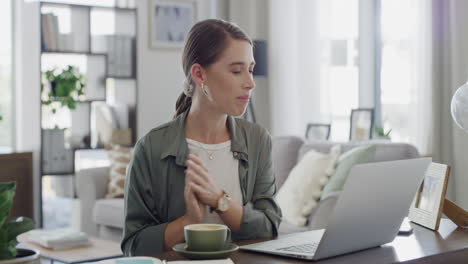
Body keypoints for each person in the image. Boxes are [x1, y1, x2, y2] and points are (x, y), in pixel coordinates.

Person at [121, 19, 282, 256]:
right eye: (236, 71)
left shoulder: (258, 140)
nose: (249, 83)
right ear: (199, 74)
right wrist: (188, 222)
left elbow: (269, 227)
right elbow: (133, 245)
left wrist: (220, 201)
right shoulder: (151, 148)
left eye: (250, 70)